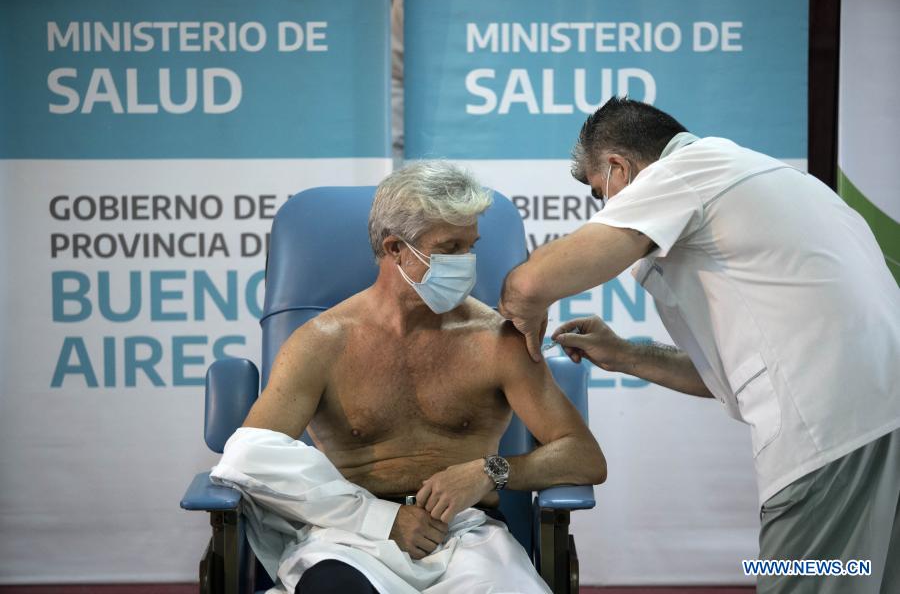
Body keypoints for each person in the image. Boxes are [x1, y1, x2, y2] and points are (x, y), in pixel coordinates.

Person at [498, 97, 900, 593]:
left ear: (620, 168)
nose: (607, 209)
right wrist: (627, 355)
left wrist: (526, 309)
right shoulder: (774, 179)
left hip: (833, 436)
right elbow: (732, 375)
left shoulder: (681, 173)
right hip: (882, 421)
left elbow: (530, 284)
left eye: (603, 194)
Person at [235, 160, 606, 593]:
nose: (466, 263)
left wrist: (491, 471)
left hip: (466, 537)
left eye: (471, 246)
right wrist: (383, 520)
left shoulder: (496, 340)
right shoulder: (322, 342)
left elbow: (583, 456)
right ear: (395, 248)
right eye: (450, 248)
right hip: (352, 537)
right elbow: (250, 458)